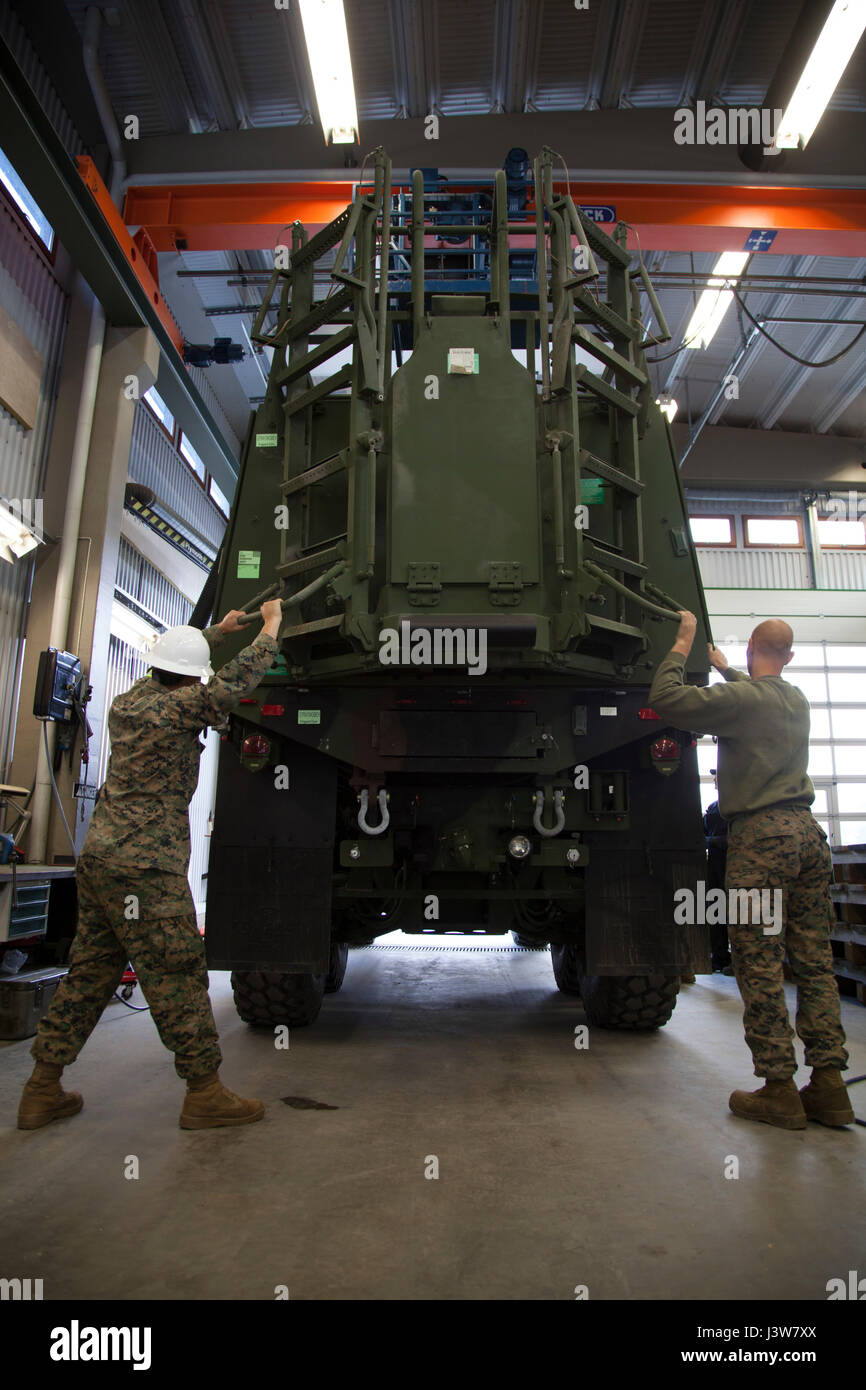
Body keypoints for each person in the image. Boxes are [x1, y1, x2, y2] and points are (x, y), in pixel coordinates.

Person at [17, 600, 283, 1131]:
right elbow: (230, 686)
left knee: (90, 973)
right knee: (178, 977)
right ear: (188, 682)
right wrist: (269, 629)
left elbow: (178, 667)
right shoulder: (182, 708)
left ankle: (41, 1088)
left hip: (101, 862)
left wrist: (216, 632)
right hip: (148, 869)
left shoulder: (129, 701)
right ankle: (204, 1092)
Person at [647, 614, 852, 1131]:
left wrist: (683, 645)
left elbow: (667, 698)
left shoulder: (742, 703)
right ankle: (829, 1086)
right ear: (789, 656)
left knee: (758, 961)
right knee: (813, 962)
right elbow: (756, 693)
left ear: (752, 650)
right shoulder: (796, 700)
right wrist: (724, 669)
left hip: (762, 840)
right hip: (809, 836)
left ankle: (779, 1088)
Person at [704, 769, 733, 973]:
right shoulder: (714, 809)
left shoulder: (737, 809)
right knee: (716, 912)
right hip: (716, 865)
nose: (715, 780)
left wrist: (712, 842)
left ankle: (735, 959)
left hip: (734, 865)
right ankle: (720, 956)